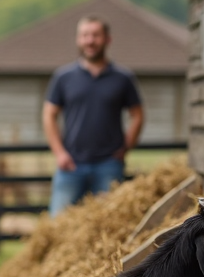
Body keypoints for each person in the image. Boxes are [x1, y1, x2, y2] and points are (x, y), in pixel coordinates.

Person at [43, 16, 144, 217]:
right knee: (57, 225)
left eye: (96, 35)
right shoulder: (63, 77)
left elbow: (138, 115)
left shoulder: (123, 78)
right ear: (78, 40)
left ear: (107, 39)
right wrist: (59, 153)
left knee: (109, 225)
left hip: (109, 166)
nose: (90, 40)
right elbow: (49, 115)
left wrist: (126, 147)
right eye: (85, 35)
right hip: (70, 165)